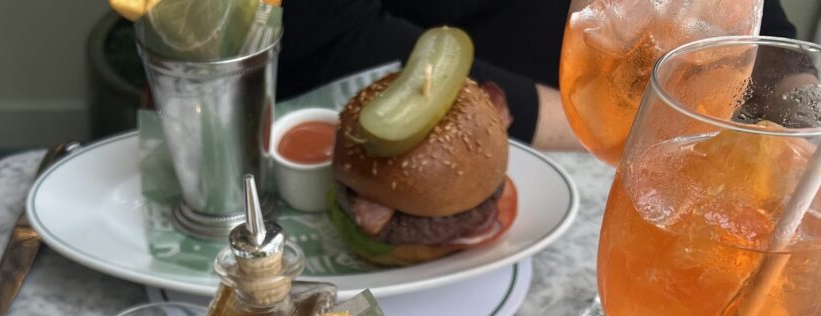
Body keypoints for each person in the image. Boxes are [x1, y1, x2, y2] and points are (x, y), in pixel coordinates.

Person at [276, 0, 799, 149]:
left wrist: (805, 110)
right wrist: (609, 131)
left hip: (676, 157)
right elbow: (330, 41)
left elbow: (764, 30)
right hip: (500, 150)